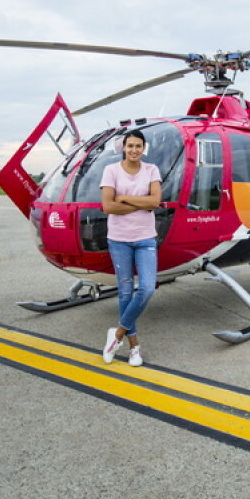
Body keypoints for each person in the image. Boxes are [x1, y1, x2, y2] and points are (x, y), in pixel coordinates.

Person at [99, 130, 162, 366]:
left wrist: (124, 198)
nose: (134, 150)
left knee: (146, 288)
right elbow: (107, 206)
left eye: (138, 146)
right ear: (123, 148)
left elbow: (155, 202)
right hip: (119, 239)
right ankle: (134, 347)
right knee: (125, 292)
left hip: (145, 239)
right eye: (130, 146)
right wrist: (140, 203)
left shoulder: (151, 170)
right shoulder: (111, 170)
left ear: (143, 148)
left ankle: (116, 335)